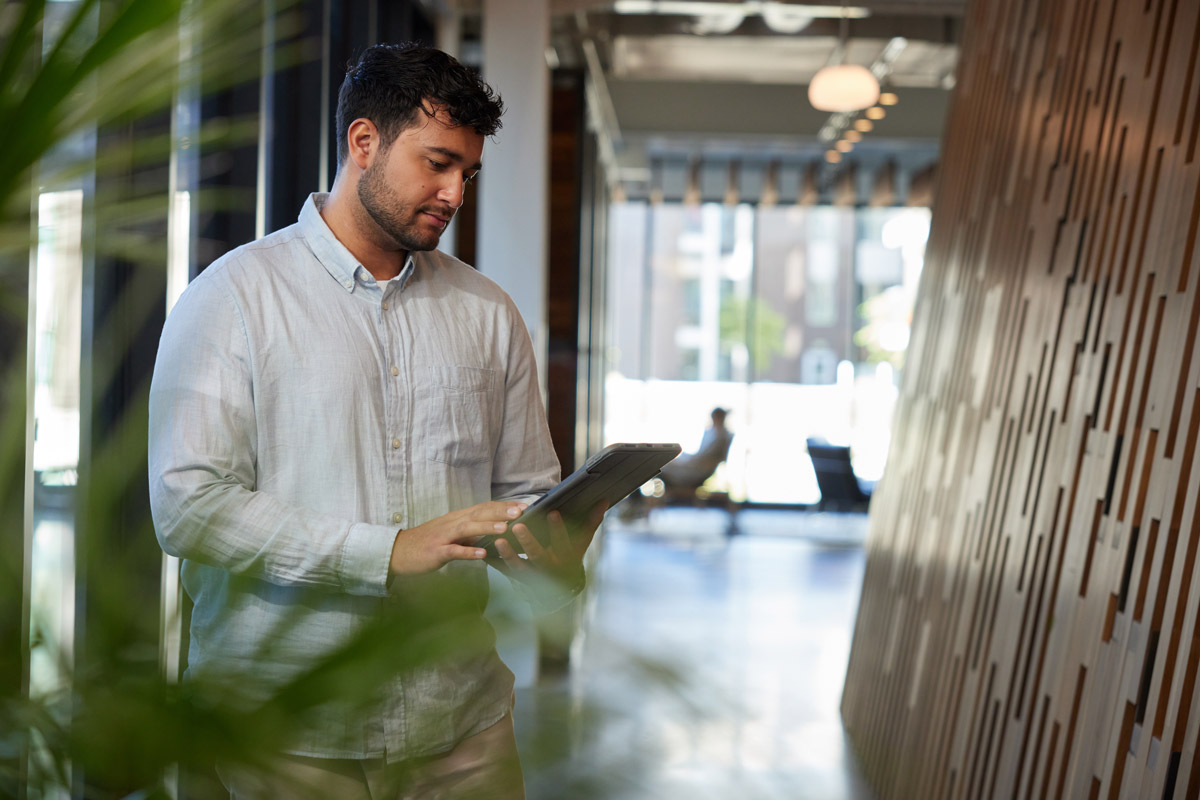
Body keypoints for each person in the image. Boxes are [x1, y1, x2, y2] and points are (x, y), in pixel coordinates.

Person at [148, 42, 601, 799]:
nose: (455, 193)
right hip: (285, 734)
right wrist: (387, 551)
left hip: (463, 728)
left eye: (468, 172)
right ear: (364, 143)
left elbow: (526, 490)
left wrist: (549, 555)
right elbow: (189, 507)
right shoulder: (233, 297)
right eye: (437, 163)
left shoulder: (489, 313)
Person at [658, 407, 734, 491]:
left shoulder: (724, 437)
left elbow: (719, 459)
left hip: (699, 469)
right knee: (663, 465)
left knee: (661, 469)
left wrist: (690, 463)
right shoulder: (710, 433)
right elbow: (700, 454)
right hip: (694, 464)